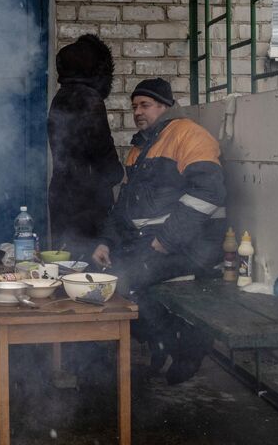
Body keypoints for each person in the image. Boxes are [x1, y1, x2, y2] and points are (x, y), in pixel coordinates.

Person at [91, 77, 227, 384]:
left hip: (194, 246)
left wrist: (166, 240)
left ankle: (186, 348)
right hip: (155, 244)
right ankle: (162, 344)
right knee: (102, 277)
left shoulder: (189, 135)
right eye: (134, 106)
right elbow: (122, 207)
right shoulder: (140, 150)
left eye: (145, 105)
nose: (138, 111)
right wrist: (106, 242)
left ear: (164, 106)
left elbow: (208, 193)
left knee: (126, 280)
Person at [47, 34, 124, 260]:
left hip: (61, 191)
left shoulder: (60, 97)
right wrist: (116, 174)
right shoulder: (90, 98)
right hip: (88, 197)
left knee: (66, 258)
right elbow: (102, 148)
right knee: (91, 262)